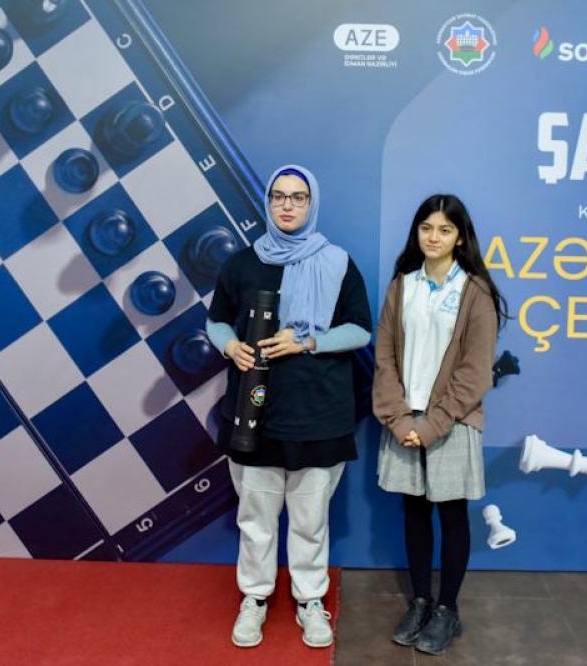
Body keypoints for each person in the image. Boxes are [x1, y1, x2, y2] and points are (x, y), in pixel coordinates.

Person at [206, 164, 371, 649]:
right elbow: (217, 320)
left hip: (318, 413)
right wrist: (229, 345)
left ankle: (310, 600)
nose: (287, 205)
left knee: (310, 521)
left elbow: (360, 329)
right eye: (278, 196)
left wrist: (308, 342)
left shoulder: (337, 263)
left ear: (311, 204)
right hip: (254, 414)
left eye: (298, 197)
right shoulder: (241, 264)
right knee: (255, 519)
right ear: (268, 202)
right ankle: (255, 597)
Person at [372, 194, 508, 656]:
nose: (434, 237)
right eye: (426, 228)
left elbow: (476, 371)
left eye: (445, 230)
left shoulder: (475, 291)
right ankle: (420, 602)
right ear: (417, 232)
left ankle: (447, 608)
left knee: (451, 514)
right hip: (403, 419)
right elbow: (385, 357)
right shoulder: (402, 286)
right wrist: (398, 418)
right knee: (413, 511)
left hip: (451, 421)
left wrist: (432, 424)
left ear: (460, 238)